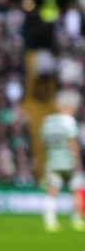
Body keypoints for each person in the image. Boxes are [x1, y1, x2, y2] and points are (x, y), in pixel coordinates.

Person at [41, 90, 84, 232]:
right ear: (68, 106)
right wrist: (78, 160)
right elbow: (72, 142)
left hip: (52, 160)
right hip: (68, 160)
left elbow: (44, 143)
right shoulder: (69, 121)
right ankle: (77, 220)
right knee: (76, 190)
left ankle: (50, 221)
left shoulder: (48, 120)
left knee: (52, 191)